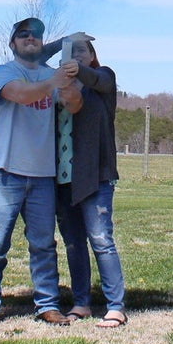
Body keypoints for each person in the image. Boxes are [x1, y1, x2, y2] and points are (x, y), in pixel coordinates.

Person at [0, 17, 85, 329]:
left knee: (44, 245)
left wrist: (73, 81)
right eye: (23, 35)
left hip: (42, 177)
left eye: (36, 35)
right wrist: (55, 80)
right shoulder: (4, 73)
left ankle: (47, 304)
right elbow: (22, 95)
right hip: (4, 173)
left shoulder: (53, 75)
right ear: (13, 43)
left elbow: (73, 105)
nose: (30, 39)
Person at [55, 38, 127, 328]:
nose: (75, 57)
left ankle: (115, 307)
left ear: (93, 55)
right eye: (69, 53)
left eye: (81, 51)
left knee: (101, 240)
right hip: (61, 177)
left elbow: (99, 78)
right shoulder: (57, 86)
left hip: (96, 176)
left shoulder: (103, 79)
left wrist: (78, 70)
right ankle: (81, 303)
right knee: (73, 243)